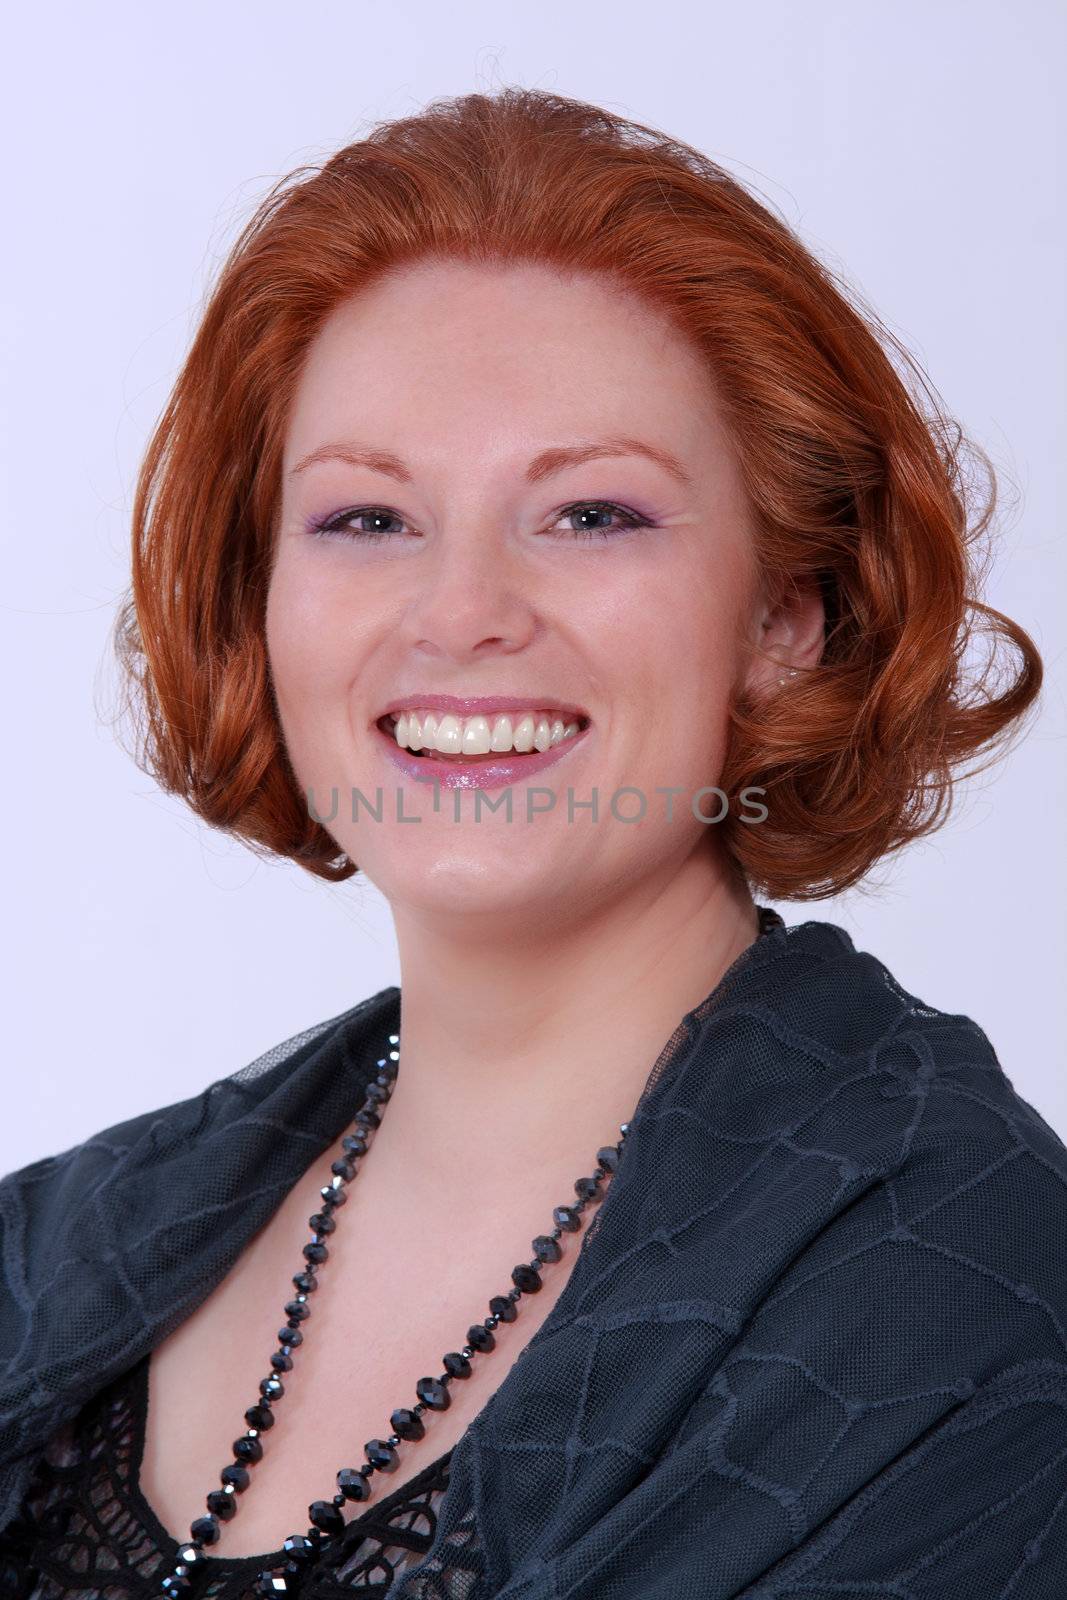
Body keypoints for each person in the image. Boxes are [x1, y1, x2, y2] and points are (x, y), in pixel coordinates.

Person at [1, 86, 1064, 1600]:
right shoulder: (59, 1248)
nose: (462, 612)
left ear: (782, 617)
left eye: (592, 515)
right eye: (367, 520)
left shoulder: (961, 1304)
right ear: (261, 605)